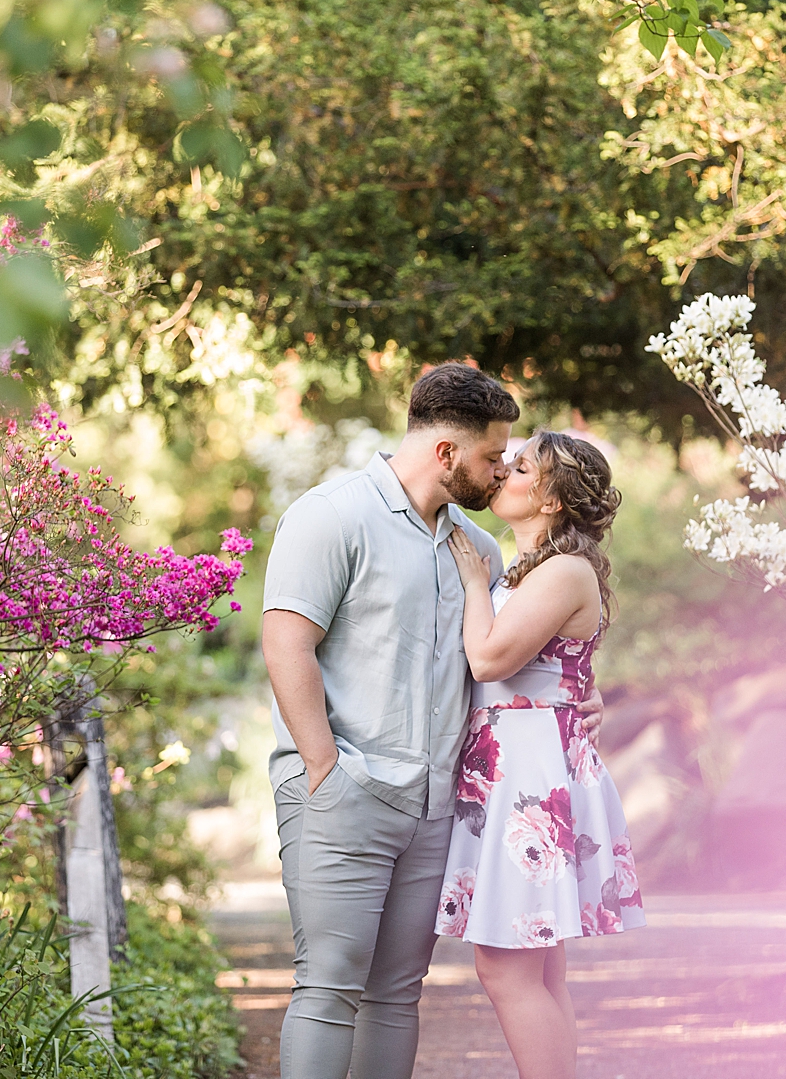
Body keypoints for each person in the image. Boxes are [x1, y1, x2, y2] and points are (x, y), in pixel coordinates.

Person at [261, 365, 604, 1079]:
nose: (501, 468)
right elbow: (286, 642)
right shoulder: (331, 516)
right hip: (341, 790)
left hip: (438, 807)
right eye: (491, 457)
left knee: (395, 994)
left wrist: (581, 700)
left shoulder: (478, 552)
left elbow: (527, 658)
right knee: (327, 986)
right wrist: (323, 768)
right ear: (447, 454)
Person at [437, 431, 645, 1079]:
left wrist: (474, 581)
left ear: (552, 499)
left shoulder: (561, 571)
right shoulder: (537, 570)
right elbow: (556, 666)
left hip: (529, 776)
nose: (504, 471)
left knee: (506, 967)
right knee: (537, 969)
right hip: (520, 762)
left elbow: (491, 657)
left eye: (521, 466)